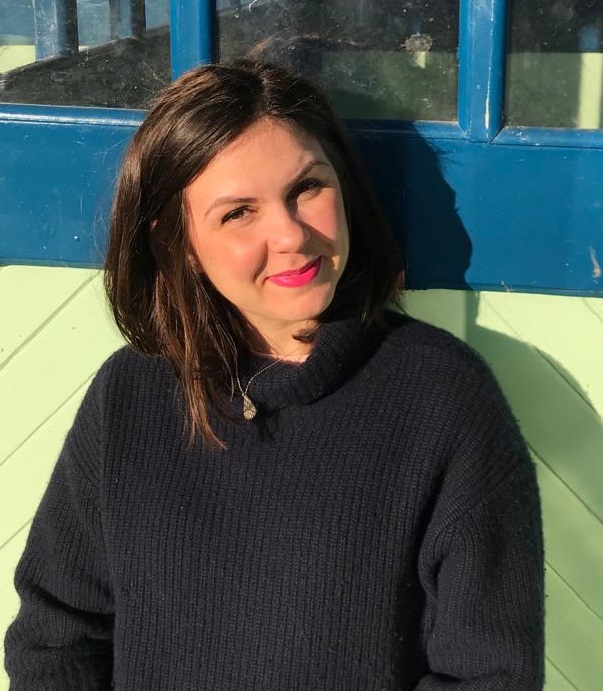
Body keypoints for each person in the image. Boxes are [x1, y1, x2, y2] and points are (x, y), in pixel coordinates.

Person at [4, 60, 544, 690]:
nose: (290, 234)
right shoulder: (130, 396)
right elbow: (57, 638)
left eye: (308, 188)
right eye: (238, 213)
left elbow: (489, 674)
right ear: (177, 241)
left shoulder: (442, 398)